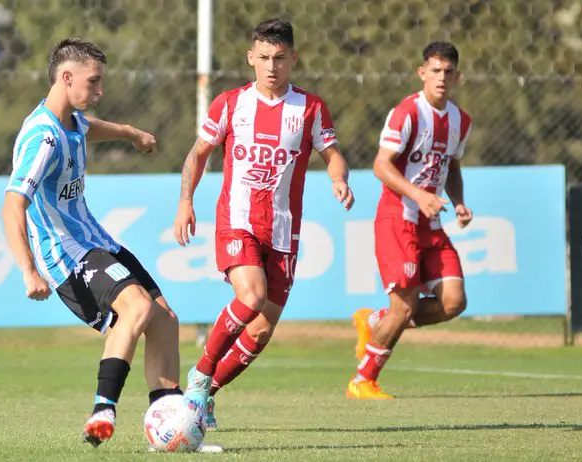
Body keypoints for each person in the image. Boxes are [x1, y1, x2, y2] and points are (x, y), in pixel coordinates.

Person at [172, 18, 355, 428]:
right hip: (237, 221)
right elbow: (198, 153)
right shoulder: (230, 104)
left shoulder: (310, 108)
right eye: (264, 58)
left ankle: (205, 396)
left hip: (284, 230)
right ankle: (200, 374)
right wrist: (186, 200)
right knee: (251, 296)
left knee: (259, 332)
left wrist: (339, 178)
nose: (272, 66)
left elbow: (333, 152)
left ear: (293, 58)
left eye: (280, 58)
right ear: (251, 58)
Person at [1, 38, 182, 446]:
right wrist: (29, 270)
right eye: (93, 82)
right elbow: (12, 206)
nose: (100, 91)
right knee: (135, 308)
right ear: (67, 78)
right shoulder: (42, 138)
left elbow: (92, 129)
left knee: (165, 321)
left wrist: (133, 135)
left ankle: (169, 425)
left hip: (96, 240)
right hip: (67, 255)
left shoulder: (73, 121)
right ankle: (103, 409)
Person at [346, 41, 473, 399]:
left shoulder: (460, 121)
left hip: (431, 224)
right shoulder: (407, 113)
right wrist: (419, 195)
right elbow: (380, 165)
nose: (442, 78)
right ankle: (363, 381)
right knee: (405, 306)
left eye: (449, 72)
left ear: (457, 76)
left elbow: (453, 166)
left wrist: (460, 202)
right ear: (422, 73)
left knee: (454, 302)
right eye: (435, 70)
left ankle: (374, 321)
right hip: (397, 219)